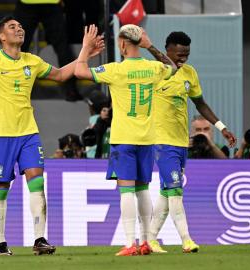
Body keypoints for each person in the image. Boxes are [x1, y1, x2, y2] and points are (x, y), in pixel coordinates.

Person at [0, 16, 103, 256]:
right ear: (2, 37)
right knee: (1, 187)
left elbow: (59, 75)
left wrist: (84, 54)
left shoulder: (32, 61)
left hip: (29, 133)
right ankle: (0, 243)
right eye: (12, 27)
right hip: (1, 134)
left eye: (21, 26)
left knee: (37, 182)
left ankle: (39, 239)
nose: (19, 29)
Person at [75, 24, 176, 256]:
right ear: (139, 42)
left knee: (126, 191)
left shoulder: (115, 70)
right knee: (143, 191)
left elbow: (80, 71)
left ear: (121, 44)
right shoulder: (153, 68)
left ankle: (131, 242)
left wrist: (85, 48)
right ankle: (147, 241)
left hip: (123, 139)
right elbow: (172, 67)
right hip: (147, 138)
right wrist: (150, 46)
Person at [147, 31, 237, 254]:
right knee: (176, 190)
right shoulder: (154, 71)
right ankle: (186, 239)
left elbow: (200, 104)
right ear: (167, 50)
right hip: (161, 141)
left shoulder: (189, 73)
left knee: (167, 193)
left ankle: (150, 239)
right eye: (179, 55)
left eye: (186, 55)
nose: (183, 59)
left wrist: (221, 127)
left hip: (181, 142)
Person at [13, 0, 83, 102]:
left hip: (27, 3)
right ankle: (71, 90)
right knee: (62, 46)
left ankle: (13, 87)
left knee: (18, 46)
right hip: (51, 3)